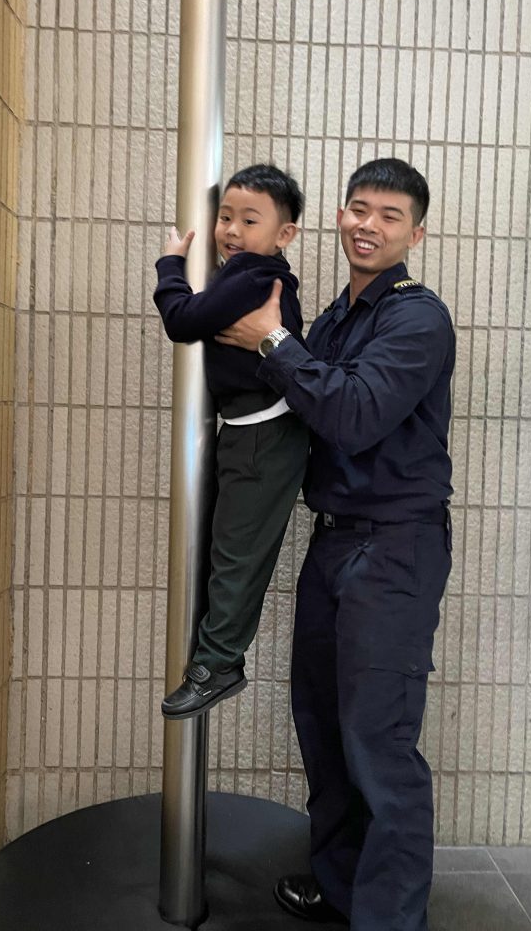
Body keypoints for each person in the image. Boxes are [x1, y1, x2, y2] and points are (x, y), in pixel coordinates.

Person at [216, 158, 455, 931]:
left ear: (416, 234)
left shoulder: (417, 318)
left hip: (394, 550)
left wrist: (272, 341)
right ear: (340, 216)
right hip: (334, 543)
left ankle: (387, 920)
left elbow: (352, 415)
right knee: (323, 725)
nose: (368, 225)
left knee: (378, 742)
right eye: (358, 208)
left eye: (389, 215)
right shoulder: (334, 318)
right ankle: (344, 886)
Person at [154, 164, 310, 719]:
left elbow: (181, 319)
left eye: (249, 220)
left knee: (237, 557)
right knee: (226, 550)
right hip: (251, 431)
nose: (232, 230)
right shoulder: (244, 275)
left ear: (284, 233)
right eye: (225, 217)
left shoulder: (252, 279)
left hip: (265, 433)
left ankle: (218, 665)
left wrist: (171, 264)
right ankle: (216, 656)